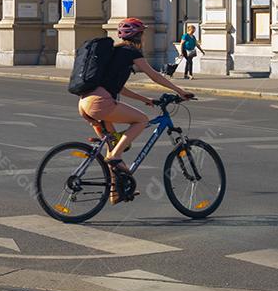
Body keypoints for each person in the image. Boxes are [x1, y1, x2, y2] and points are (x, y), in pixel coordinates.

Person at [77, 18, 193, 204]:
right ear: (138, 36)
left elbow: (119, 88)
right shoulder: (131, 51)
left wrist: (145, 99)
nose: (144, 38)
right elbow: (154, 75)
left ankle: (116, 193)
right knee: (141, 120)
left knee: (113, 149)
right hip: (100, 103)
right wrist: (180, 91)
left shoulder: (116, 53)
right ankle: (115, 158)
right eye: (143, 34)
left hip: (85, 103)